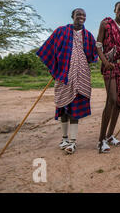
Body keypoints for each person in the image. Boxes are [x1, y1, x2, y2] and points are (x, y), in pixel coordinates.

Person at [36, 8, 98, 154]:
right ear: (72, 16)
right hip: (63, 75)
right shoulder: (61, 31)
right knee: (63, 108)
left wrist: (104, 51)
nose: (81, 17)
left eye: (84, 15)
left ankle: (72, 142)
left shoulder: (88, 35)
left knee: (75, 109)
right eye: (78, 15)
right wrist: (55, 69)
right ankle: (64, 138)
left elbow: (93, 54)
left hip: (81, 76)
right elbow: (48, 49)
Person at [96, 1, 120, 153]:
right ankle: (101, 140)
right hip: (110, 66)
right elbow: (98, 44)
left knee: (118, 102)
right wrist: (104, 61)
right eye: (119, 9)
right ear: (115, 10)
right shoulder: (106, 24)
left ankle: (110, 135)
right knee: (111, 99)